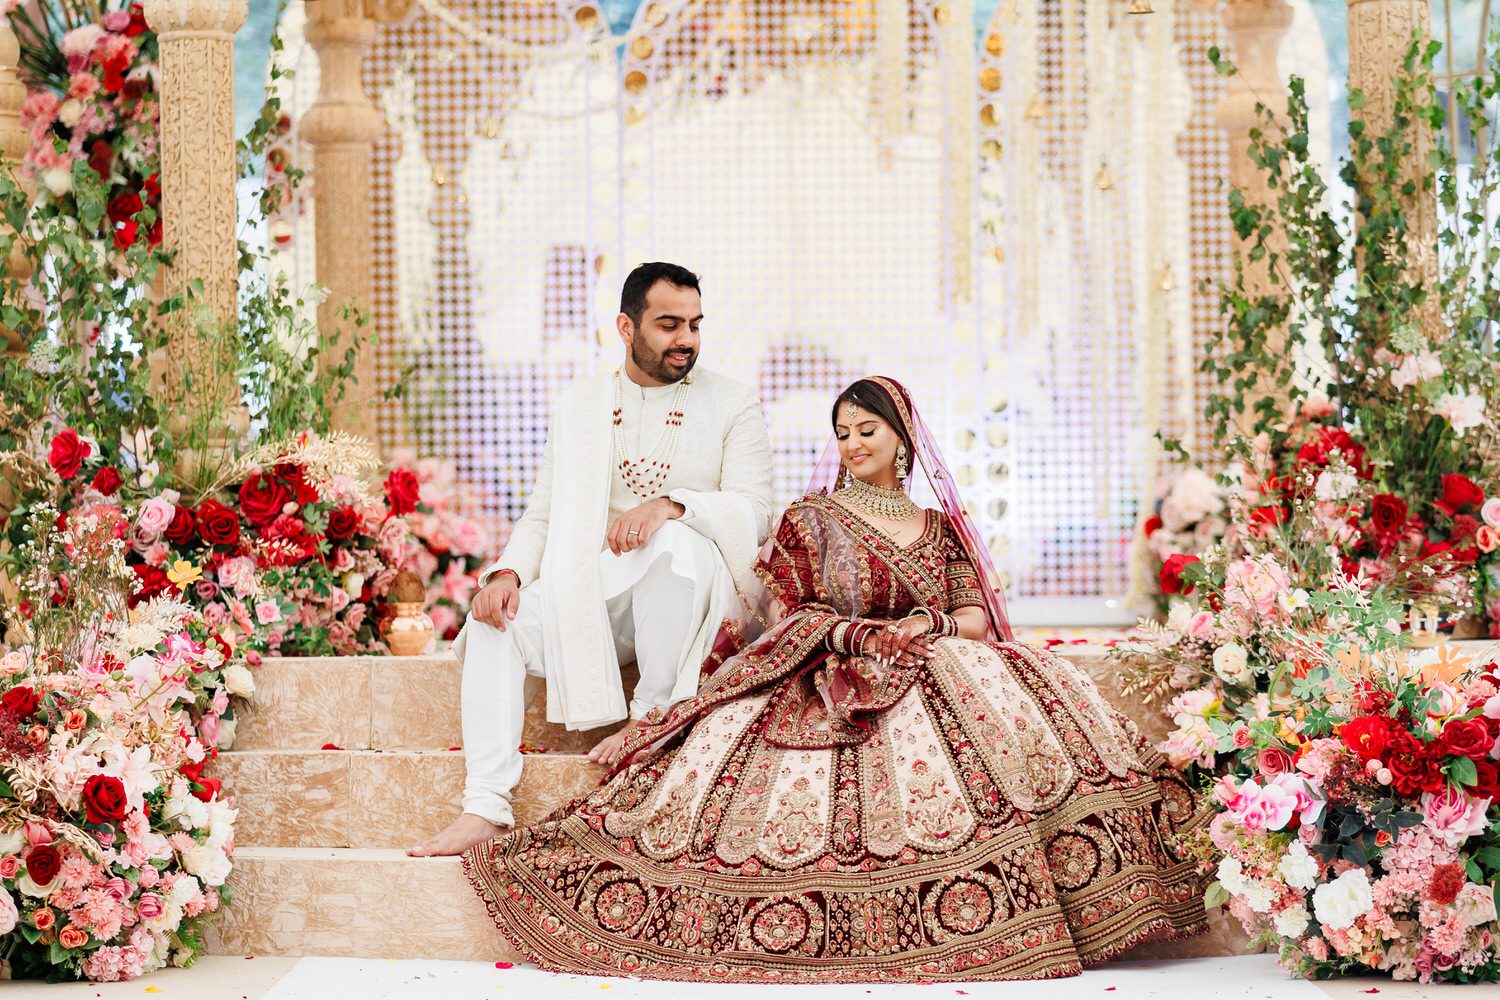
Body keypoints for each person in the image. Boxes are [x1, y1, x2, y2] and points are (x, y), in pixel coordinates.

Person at [462, 376, 1209, 981]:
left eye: (867, 430)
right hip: (827, 671)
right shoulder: (812, 518)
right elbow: (786, 613)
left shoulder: (939, 528)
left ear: (903, 438)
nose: (852, 445)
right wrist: (856, 634)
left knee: (1016, 719)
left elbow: (974, 617)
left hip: (933, 663)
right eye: (843, 432)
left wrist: (929, 629)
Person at [408, 263, 774, 858]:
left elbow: (756, 511)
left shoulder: (731, 402)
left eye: (695, 325)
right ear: (626, 328)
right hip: (593, 592)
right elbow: (544, 514)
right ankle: (485, 806)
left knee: (674, 544)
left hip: (685, 598)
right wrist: (508, 573)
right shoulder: (581, 405)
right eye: (669, 324)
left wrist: (673, 506)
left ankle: (652, 715)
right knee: (494, 623)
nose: (687, 339)